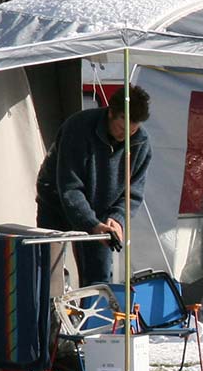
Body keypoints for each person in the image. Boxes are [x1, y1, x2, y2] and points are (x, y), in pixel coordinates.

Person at [36, 86, 152, 286]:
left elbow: (132, 194)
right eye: (121, 128)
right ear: (110, 113)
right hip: (56, 199)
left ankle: (94, 316)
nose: (126, 135)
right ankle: (49, 314)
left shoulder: (141, 144)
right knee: (48, 271)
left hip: (101, 210)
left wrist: (117, 218)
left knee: (99, 276)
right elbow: (70, 188)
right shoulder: (78, 128)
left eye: (132, 130)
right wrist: (91, 225)